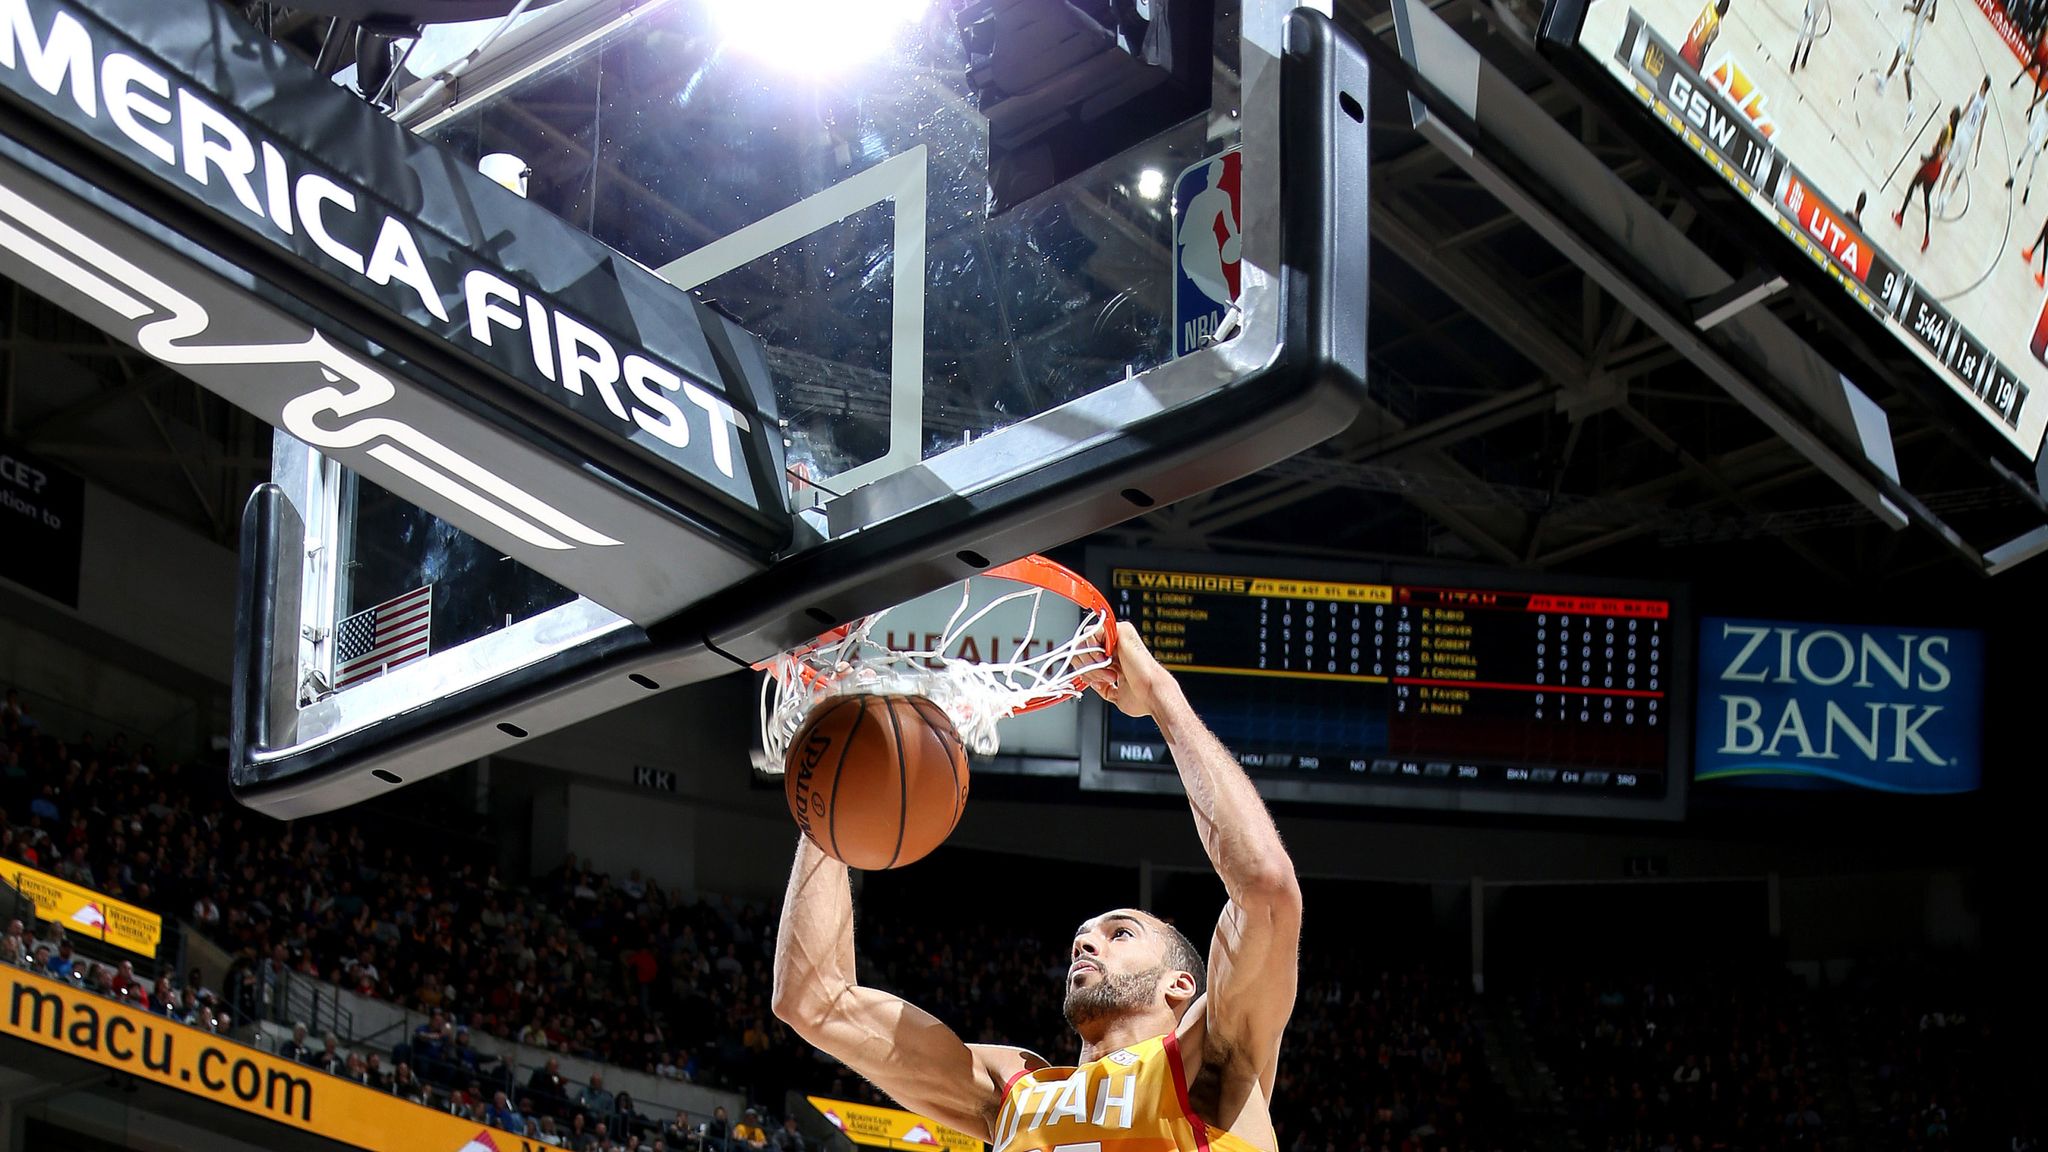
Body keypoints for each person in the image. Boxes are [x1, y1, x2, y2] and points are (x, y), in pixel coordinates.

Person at [772, 622, 1302, 1152]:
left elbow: (1266, 890)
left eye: (1121, 933)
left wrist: (1163, 697)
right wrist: (831, 810)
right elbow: (815, 1000)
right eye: (1085, 934)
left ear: (1180, 987)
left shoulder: (1207, 1065)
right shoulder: (1012, 1089)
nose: (1085, 942)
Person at [1893, 107, 1959, 250]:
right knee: (1926, 199)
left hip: (1931, 166)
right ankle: (1926, 235)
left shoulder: (1946, 130)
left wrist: (1926, 158)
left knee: (1911, 186)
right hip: (1937, 170)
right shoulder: (1953, 137)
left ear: (1952, 116)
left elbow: (1937, 152)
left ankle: (1900, 216)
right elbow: (1944, 155)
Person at [1878, 0, 1939, 125]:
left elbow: (1917, 10)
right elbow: (1932, 19)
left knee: (1906, 70)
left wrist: (1908, 7)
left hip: (1914, 33)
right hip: (1916, 31)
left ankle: (1911, 107)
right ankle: (1884, 81)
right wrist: (1924, 16)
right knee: (1898, 53)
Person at [1937, 77, 1991, 212]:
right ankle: (1945, 200)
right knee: (1958, 173)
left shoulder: (1974, 97)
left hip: (1962, 132)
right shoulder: (1985, 108)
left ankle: (1939, 199)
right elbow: (1980, 131)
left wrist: (1952, 126)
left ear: (1983, 85)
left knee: (1950, 166)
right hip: (1967, 138)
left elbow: (1964, 112)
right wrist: (1977, 153)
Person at [2011, 97, 2048, 204]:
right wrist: (2032, 105)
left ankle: (2028, 187)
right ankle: (2013, 176)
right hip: (2038, 122)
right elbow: (2042, 97)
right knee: (2025, 148)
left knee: (2034, 161)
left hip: (2044, 129)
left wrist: (2046, 142)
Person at [1681, 0, 1729, 70]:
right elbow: (1704, 47)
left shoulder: (1710, 5)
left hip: (1687, 46)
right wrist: (1700, 64)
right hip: (1693, 59)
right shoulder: (1715, 26)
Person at [1792, 0, 1828, 72]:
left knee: (1805, 22)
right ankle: (1806, 55)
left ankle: (1794, 59)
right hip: (1821, 2)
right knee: (1814, 24)